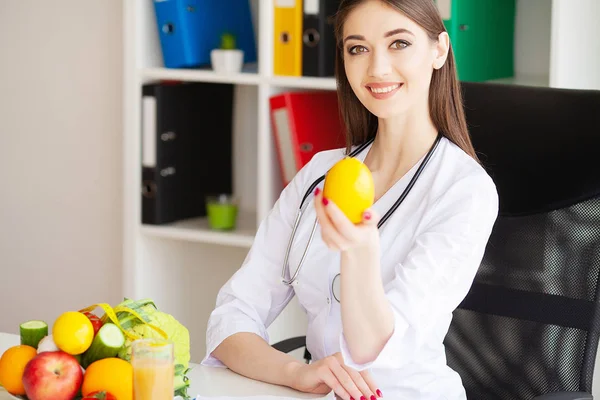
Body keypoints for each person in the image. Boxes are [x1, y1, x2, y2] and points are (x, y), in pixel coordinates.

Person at [201, 0, 499, 399]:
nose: (376, 69)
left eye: (399, 43)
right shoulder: (319, 174)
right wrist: (296, 372)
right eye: (357, 48)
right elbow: (231, 318)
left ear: (439, 50)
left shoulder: (464, 190)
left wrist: (360, 250)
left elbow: (372, 350)